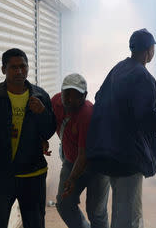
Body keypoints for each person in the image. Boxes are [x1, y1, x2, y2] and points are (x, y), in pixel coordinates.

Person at [86, 28, 156, 228]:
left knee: (121, 210)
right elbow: (148, 120)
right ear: (149, 51)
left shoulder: (119, 68)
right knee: (128, 217)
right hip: (127, 158)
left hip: (109, 153)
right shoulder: (143, 77)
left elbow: (99, 98)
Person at [0, 48, 56, 228]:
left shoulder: (40, 96)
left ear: (27, 68)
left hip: (33, 175)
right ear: (3, 69)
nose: (19, 71)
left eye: (23, 66)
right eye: (13, 67)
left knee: (35, 224)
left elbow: (48, 132)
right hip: (2, 175)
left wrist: (42, 113)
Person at [51, 73, 110, 228]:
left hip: (97, 166)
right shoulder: (56, 102)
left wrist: (71, 179)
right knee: (64, 204)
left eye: (75, 95)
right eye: (66, 94)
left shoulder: (87, 113)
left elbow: (83, 155)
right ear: (61, 92)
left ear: (85, 96)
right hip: (71, 161)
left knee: (96, 212)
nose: (69, 99)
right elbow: (48, 124)